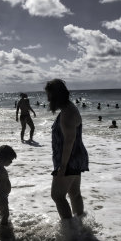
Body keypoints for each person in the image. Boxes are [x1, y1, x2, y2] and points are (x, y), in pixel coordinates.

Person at [45, 79, 89, 220]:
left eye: (49, 95)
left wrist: (63, 166)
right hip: (76, 157)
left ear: (56, 95)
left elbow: (69, 140)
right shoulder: (69, 108)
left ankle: (70, 232)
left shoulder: (67, 113)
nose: (48, 98)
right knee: (74, 193)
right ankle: (80, 228)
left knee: (57, 195)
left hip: (69, 159)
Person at [0, 145, 17, 226]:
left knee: (3, 214)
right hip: (1, 197)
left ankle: (1, 227)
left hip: (1, 196)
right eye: (10, 160)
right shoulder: (0, 171)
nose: (11, 162)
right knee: (5, 215)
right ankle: (4, 230)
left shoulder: (0, 168)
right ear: (3, 158)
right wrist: (1, 199)